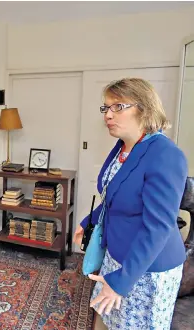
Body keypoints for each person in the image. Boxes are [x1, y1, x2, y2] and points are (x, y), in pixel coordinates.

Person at [73, 77, 187, 329]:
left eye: (118, 107)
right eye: (105, 108)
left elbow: (157, 228)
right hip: (118, 254)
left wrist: (121, 281)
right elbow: (114, 195)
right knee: (114, 321)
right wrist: (88, 221)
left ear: (144, 108)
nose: (107, 115)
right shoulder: (123, 148)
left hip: (148, 267)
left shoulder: (166, 155)